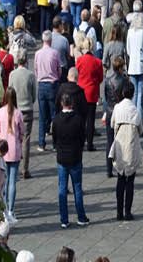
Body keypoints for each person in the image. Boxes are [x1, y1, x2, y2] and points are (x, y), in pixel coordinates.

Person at [53, 93, 89, 229]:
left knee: (62, 189)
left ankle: (64, 219)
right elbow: (82, 138)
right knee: (77, 188)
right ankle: (81, 217)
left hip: (62, 158)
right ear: (72, 103)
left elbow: (55, 139)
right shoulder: (78, 119)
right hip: (75, 157)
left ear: (62, 104)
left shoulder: (56, 120)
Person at [110, 80, 143, 221]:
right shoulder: (135, 110)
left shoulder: (117, 108)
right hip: (131, 145)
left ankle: (119, 212)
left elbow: (112, 124)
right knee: (130, 180)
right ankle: (128, 211)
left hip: (120, 143)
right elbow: (141, 130)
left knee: (120, 179)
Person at [0, 87, 24, 224]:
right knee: (12, 181)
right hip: (15, 149)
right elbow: (22, 132)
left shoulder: (0, 112)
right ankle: (11, 210)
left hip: (4, 149)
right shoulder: (18, 113)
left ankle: (5, 209)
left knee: (4, 181)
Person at [8, 49, 37, 179]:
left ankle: (13, 165)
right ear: (26, 60)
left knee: (14, 137)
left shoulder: (12, 75)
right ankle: (25, 169)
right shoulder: (30, 75)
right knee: (26, 139)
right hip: (27, 110)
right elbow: (34, 95)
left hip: (15, 109)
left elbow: (9, 91)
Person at [75, 39, 103, 152]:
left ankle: (80, 142)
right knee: (90, 120)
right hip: (92, 92)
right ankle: (90, 143)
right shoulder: (97, 62)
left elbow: (76, 74)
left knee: (81, 119)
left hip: (81, 91)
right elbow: (100, 78)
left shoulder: (80, 60)